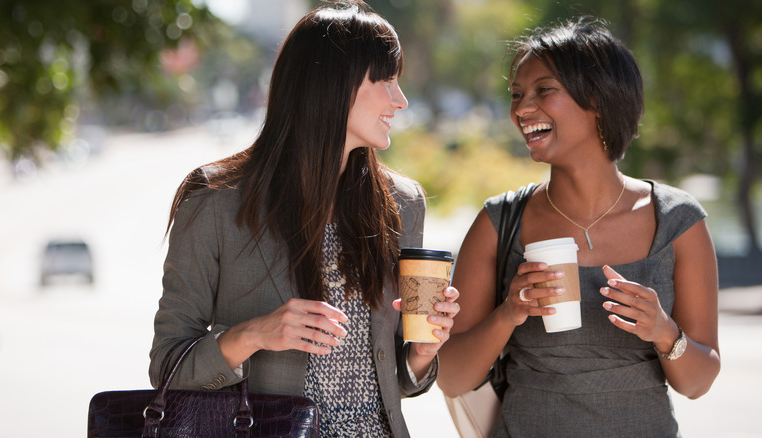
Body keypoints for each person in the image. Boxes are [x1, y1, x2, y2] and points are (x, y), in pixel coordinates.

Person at [148, 1, 460, 437]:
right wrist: (253, 334)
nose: (401, 100)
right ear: (333, 85)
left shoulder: (402, 203)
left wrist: (422, 352)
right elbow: (167, 365)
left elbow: (393, 378)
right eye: (386, 80)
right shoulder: (215, 200)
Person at [437, 17, 720, 437]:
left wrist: (664, 331)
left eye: (543, 90)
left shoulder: (677, 222)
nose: (521, 109)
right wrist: (509, 313)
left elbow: (697, 383)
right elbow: (451, 378)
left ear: (600, 100)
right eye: (516, 94)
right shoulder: (498, 224)